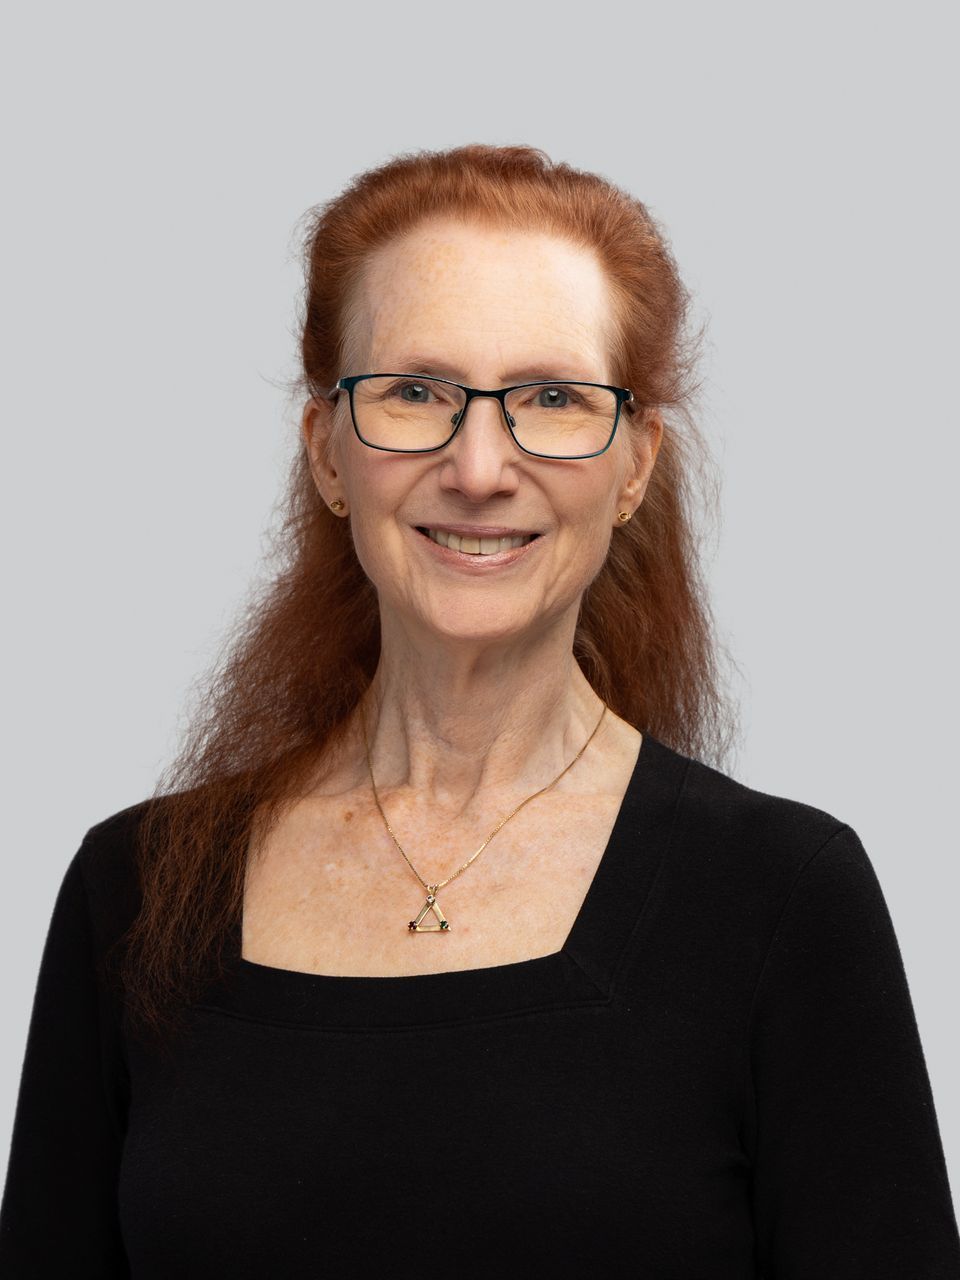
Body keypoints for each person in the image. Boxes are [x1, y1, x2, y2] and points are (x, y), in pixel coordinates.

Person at [1, 143, 958, 1278]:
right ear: (326, 454)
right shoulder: (138, 889)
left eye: (552, 398)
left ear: (636, 462)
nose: (480, 464)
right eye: (416, 392)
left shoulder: (787, 897)